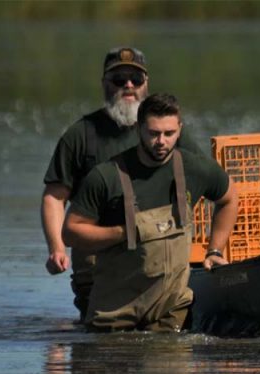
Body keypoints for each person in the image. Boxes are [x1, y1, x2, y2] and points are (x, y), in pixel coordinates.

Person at [41, 46, 204, 320]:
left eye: (136, 79)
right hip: (99, 258)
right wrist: (56, 248)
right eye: (119, 79)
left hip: (159, 254)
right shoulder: (81, 135)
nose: (128, 85)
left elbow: (205, 185)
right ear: (105, 84)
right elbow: (55, 197)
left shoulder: (169, 131)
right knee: (104, 340)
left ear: (146, 85)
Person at [63, 93, 237, 332]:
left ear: (180, 129)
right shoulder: (106, 176)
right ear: (138, 129)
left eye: (169, 134)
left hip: (170, 314)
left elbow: (229, 199)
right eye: (153, 133)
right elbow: (71, 233)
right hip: (114, 316)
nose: (161, 142)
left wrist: (215, 250)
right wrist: (123, 233)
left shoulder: (194, 169)